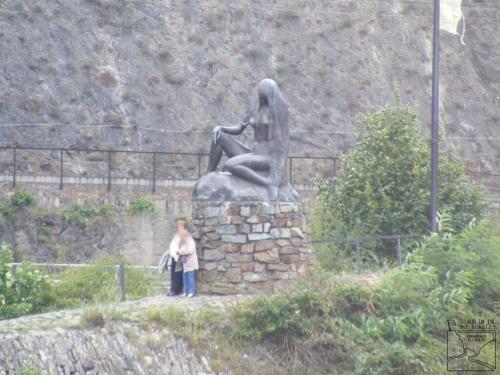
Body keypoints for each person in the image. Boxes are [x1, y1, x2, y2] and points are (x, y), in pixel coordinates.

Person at [206, 79, 290, 201]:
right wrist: (221, 128)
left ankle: (267, 183)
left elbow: (283, 143)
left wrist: (277, 169)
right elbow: (239, 128)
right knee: (218, 137)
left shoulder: (278, 112)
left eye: (264, 93)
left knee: (230, 164)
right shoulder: (256, 108)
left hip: (267, 157)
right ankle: (208, 175)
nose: (261, 95)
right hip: (252, 153)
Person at [161, 218, 188, 296]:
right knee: (173, 273)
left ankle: (176, 290)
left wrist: (179, 253)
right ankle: (173, 289)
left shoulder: (183, 233)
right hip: (174, 256)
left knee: (177, 274)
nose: (178, 226)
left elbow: (183, 245)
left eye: (179, 225)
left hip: (178, 256)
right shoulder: (178, 233)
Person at [176, 228, 198, 298]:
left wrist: (180, 252)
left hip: (190, 262)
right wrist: (179, 251)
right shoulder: (184, 242)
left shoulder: (190, 241)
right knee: (185, 277)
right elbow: (181, 249)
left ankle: (191, 292)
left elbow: (190, 251)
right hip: (185, 263)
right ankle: (186, 291)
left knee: (190, 277)